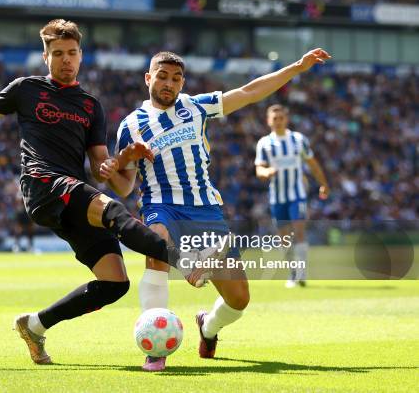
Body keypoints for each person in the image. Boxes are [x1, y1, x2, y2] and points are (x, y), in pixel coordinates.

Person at [0, 19, 199, 365]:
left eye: (72, 53)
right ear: (46, 57)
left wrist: (115, 165)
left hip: (73, 195)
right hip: (43, 185)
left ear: (81, 55)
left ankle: (34, 325)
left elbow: (102, 166)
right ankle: (186, 261)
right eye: (58, 53)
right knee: (114, 212)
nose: (66, 60)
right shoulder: (26, 89)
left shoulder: (91, 106)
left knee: (115, 283)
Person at [100, 48, 332, 371]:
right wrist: (115, 172)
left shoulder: (196, 107)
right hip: (161, 205)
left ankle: (208, 326)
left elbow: (249, 92)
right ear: (148, 78)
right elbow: (125, 187)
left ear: (182, 83)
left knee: (239, 299)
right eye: (163, 77)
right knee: (156, 242)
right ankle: (156, 349)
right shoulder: (131, 125)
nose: (169, 83)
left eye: (176, 78)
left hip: (206, 209)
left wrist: (296, 66)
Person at [255, 104, 330, 288]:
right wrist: (266, 172)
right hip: (277, 197)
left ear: (286, 119)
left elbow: (312, 163)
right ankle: (293, 273)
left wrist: (324, 183)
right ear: (268, 121)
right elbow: (259, 169)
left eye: (281, 118)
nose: (278, 121)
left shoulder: (298, 139)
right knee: (284, 238)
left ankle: (302, 274)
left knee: (300, 230)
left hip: (297, 195)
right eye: (275, 118)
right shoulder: (264, 143)